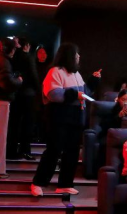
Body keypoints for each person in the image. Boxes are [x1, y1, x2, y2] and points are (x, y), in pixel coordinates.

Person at [31, 43, 101, 196]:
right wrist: (75, 95)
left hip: (76, 117)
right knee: (54, 150)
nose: (79, 56)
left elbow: (84, 93)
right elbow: (53, 94)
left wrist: (93, 81)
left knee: (72, 152)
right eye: (76, 54)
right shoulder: (55, 71)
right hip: (59, 117)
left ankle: (65, 183)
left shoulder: (76, 74)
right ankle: (38, 182)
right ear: (69, 56)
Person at [0, 37, 23, 179]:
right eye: (13, 49)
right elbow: (6, 84)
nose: (14, 52)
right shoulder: (2, 61)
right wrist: (18, 81)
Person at [6, 38, 38, 161]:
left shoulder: (11, 58)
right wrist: (39, 90)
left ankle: (11, 150)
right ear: (26, 45)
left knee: (13, 123)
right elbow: (33, 75)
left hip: (15, 94)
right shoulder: (28, 57)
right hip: (28, 94)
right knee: (28, 123)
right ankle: (25, 150)